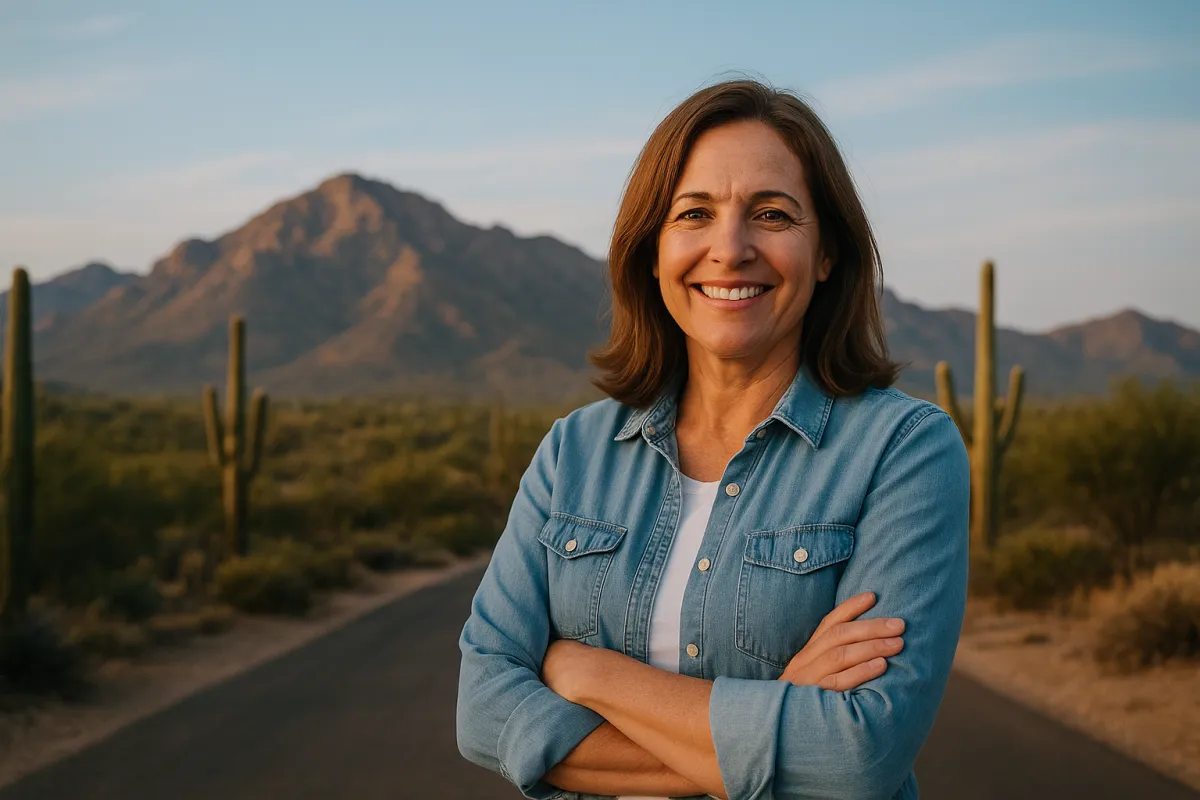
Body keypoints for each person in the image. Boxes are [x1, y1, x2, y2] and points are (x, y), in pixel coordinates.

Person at [456, 78, 970, 800]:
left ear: (826, 253)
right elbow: (482, 711)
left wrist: (587, 672)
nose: (730, 250)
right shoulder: (574, 453)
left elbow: (857, 758)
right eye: (694, 213)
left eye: (773, 214)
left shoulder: (904, 451)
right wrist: (779, 720)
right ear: (653, 250)